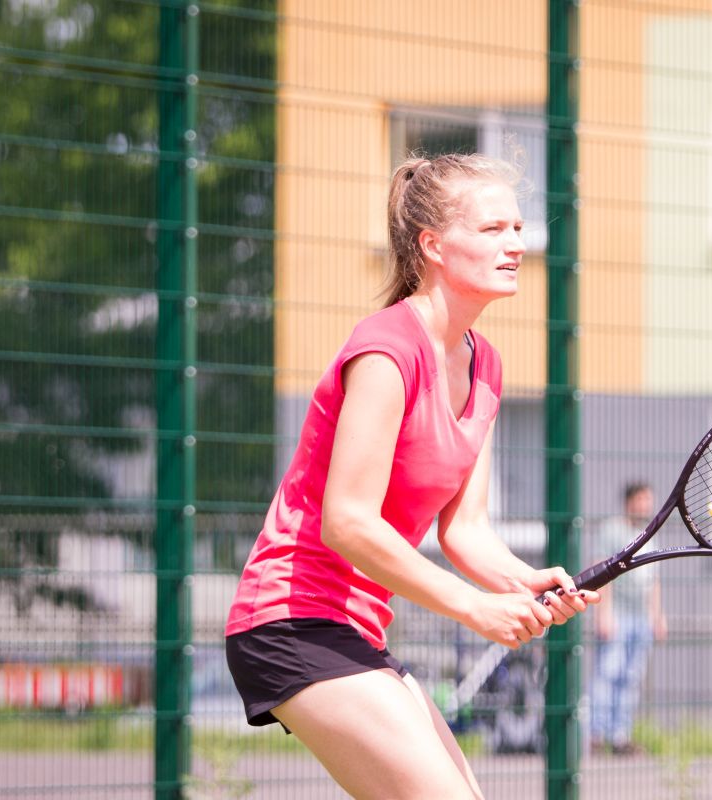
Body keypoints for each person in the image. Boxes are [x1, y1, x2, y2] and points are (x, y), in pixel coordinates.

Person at [224, 153, 599, 800]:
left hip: (355, 629)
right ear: (432, 246)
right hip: (290, 619)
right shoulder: (386, 350)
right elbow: (347, 523)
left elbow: (466, 530)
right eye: (492, 229)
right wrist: (476, 607)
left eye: (517, 228)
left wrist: (525, 583)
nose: (515, 244)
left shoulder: (485, 365)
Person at [589, 482, 668, 755]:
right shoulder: (611, 530)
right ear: (630, 501)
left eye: (649, 499)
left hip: (641, 618)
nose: (647, 505)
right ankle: (596, 735)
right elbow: (601, 573)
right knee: (608, 674)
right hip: (618, 615)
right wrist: (604, 613)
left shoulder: (649, 534)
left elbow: (653, 580)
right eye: (642, 499)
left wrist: (657, 616)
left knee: (631, 678)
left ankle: (620, 736)